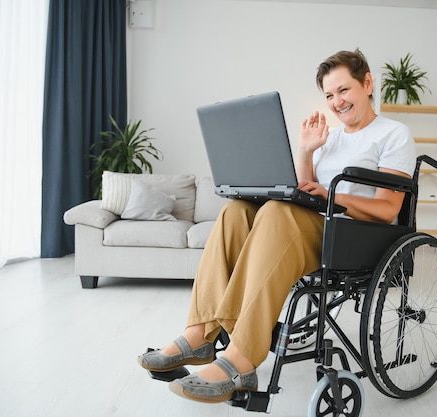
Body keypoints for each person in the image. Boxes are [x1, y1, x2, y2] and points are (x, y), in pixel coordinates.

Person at [137, 48, 416, 404]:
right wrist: (306, 152)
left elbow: (388, 208)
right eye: (329, 95)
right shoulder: (330, 139)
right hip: (317, 228)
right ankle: (200, 333)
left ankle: (241, 358)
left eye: (344, 90)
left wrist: (332, 193)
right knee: (237, 210)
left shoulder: (393, 134)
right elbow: (306, 192)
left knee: (275, 214)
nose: (337, 102)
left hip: (357, 236)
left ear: (367, 83)